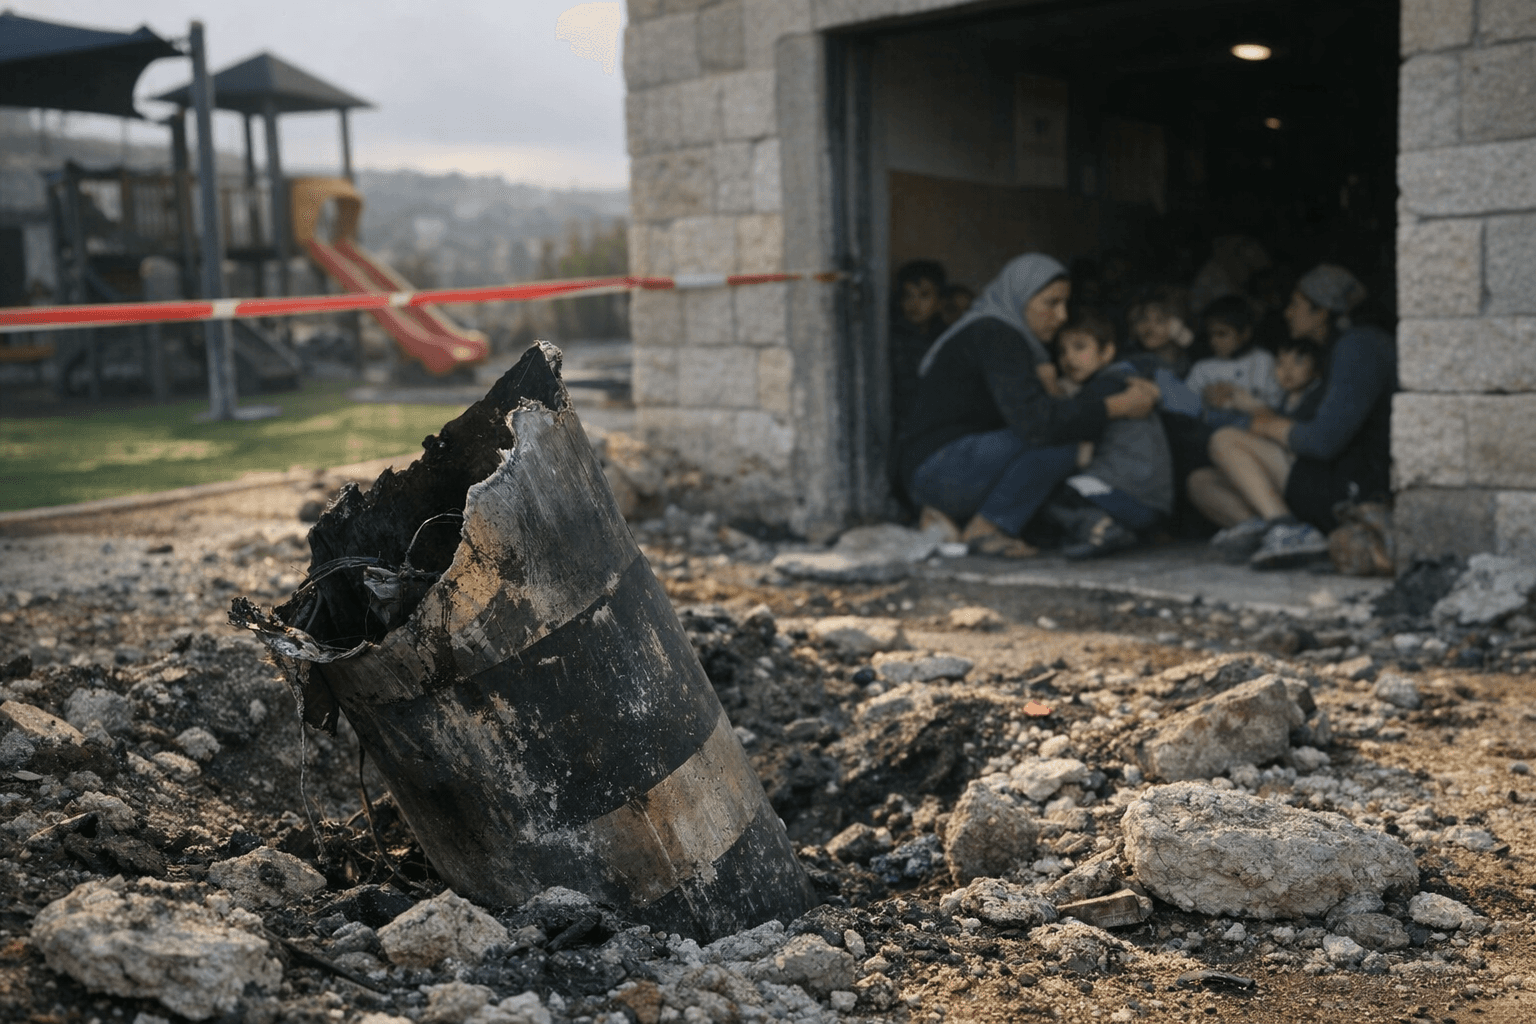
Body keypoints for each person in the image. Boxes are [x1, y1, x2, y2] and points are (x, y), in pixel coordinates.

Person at [898, 253, 1160, 558]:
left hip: (935, 473)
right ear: (1020, 297)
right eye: (1051, 303)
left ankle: (954, 520)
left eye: (1064, 304)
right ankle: (987, 530)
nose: (1062, 316)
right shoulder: (998, 335)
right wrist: (1119, 405)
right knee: (1063, 441)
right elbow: (1039, 424)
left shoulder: (1002, 335)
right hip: (939, 470)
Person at [1187, 263, 1396, 569]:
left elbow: (1322, 441)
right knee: (1201, 482)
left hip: (1350, 486)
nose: (1287, 312)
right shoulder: (1340, 348)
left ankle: (1288, 529)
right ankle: (1285, 535)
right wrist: (1256, 412)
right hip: (1323, 476)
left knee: (1225, 440)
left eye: (1296, 304)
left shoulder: (1359, 346)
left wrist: (1264, 425)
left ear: (1321, 312)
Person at [1046, 310, 1173, 559]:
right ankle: (1123, 530)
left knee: (1052, 495)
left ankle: (1102, 528)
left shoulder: (1101, 389)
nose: (1069, 358)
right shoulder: (1125, 381)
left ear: (1107, 353)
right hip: (1154, 505)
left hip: (1123, 496)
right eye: (1062, 351)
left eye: (1079, 347)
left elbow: (1082, 457)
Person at [1186, 295, 1283, 415]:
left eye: (1222, 334)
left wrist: (1236, 394)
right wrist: (1206, 399)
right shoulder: (1202, 368)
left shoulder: (1264, 360)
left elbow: (1277, 404)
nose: (1214, 341)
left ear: (1245, 333)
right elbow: (1186, 406)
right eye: (1211, 335)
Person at [889, 260, 948, 434]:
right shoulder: (892, 340)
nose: (914, 304)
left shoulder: (947, 340)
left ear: (940, 302)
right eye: (908, 296)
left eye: (924, 295)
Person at [1126, 285, 1195, 377]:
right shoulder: (1131, 364)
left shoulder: (1191, 367)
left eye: (1160, 320)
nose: (1149, 327)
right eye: (1143, 319)